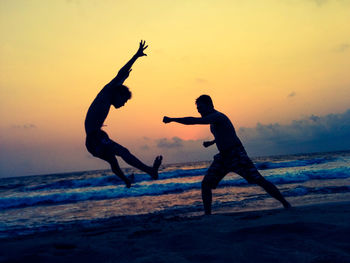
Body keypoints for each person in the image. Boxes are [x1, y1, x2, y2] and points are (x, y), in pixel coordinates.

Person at [163, 95, 291, 215]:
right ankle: (208, 215)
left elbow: (194, 121)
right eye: (197, 108)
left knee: (259, 180)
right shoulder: (213, 122)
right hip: (223, 157)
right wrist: (212, 142)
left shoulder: (218, 116)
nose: (199, 111)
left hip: (236, 154)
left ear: (209, 105)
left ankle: (285, 203)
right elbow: (224, 133)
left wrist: (173, 119)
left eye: (201, 107)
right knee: (206, 184)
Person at [85, 40, 162, 188]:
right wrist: (136, 56)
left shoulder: (108, 96)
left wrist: (124, 77)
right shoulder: (106, 93)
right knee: (123, 152)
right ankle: (150, 171)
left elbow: (122, 77)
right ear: (118, 94)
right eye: (124, 100)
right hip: (95, 138)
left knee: (113, 161)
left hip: (94, 140)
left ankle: (126, 181)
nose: (123, 104)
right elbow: (121, 73)